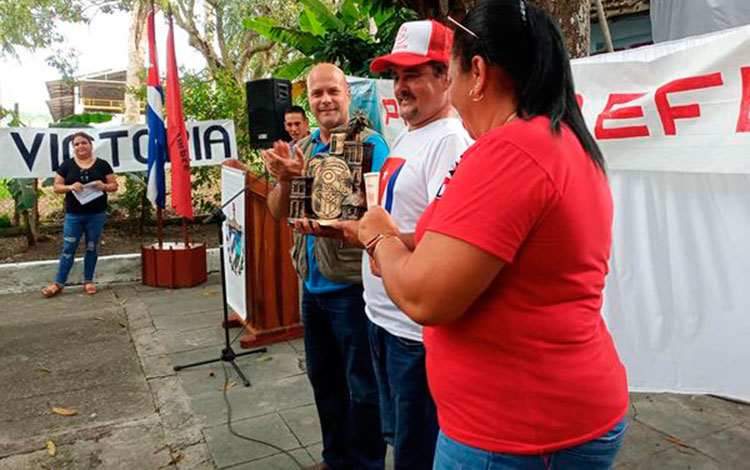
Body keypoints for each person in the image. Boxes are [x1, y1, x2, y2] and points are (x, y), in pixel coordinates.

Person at [356, 1, 629, 469]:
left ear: (476, 73)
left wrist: (379, 237)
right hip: (549, 416)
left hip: (517, 432)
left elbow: (425, 299)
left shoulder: (511, 149)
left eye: (452, 72)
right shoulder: (559, 140)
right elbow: (476, 248)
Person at [333, 20, 472, 470]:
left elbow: (445, 240)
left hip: (414, 335)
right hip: (383, 318)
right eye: (396, 76)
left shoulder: (451, 141)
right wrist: (359, 232)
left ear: (446, 77)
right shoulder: (411, 134)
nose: (401, 86)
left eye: (413, 74)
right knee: (398, 440)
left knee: (417, 453)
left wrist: (372, 238)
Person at [262, 63, 390, 470]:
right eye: (317, 94)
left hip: (351, 289)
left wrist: (303, 180)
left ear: (347, 95)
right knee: (325, 383)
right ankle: (335, 460)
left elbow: (371, 214)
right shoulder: (303, 147)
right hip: (312, 287)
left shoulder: (371, 145)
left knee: (362, 390)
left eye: (332, 91)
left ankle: (365, 464)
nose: (325, 100)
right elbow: (277, 211)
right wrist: (285, 180)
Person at [42, 132, 118, 297]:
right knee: (68, 248)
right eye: (76, 144)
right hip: (74, 216)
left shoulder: (102, 165)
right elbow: (56, 187)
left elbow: (114, 185)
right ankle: (58, 283)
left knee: (92, 247)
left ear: (91, 145)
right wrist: (70, 187)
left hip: (96, 215)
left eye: (84, 143)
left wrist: (103, 186)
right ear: (73, 148)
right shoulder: (67, 165)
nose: (80, 146)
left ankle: (89, 281)